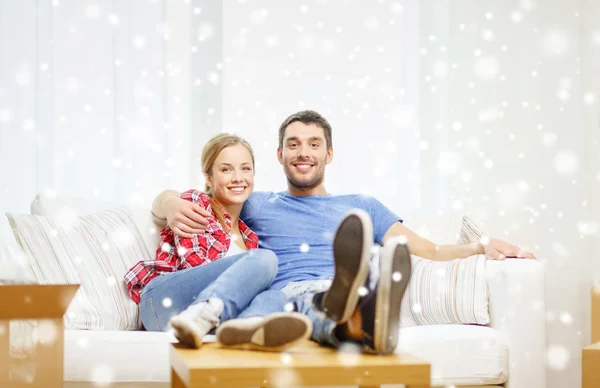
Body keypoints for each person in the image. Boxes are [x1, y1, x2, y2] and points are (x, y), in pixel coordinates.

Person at [153, 110, 536, 354]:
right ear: (280, 155)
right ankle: (354, 323)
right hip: (281, 295)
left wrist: (480, 247)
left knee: (321, 300)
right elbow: (198, 198)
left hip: (328, 291)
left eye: (314, 144)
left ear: (329, 154)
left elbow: (430, 250)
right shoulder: (256, 202)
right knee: (294, 301)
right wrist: (169, 204)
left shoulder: (361, 206)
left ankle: (356, 309)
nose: (303, 152)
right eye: (294, 145)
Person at [124, 133, 312, 350]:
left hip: (204, 321)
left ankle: (247, 326)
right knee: (265, 259)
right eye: (226, 169)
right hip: (162, 301)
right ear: (209, 178)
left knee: (276, 295)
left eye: (245, 168)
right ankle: (204, 314)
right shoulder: (197, 204)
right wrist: (168, 201)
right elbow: (194, 263)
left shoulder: (250, 237)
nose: (238, 178)